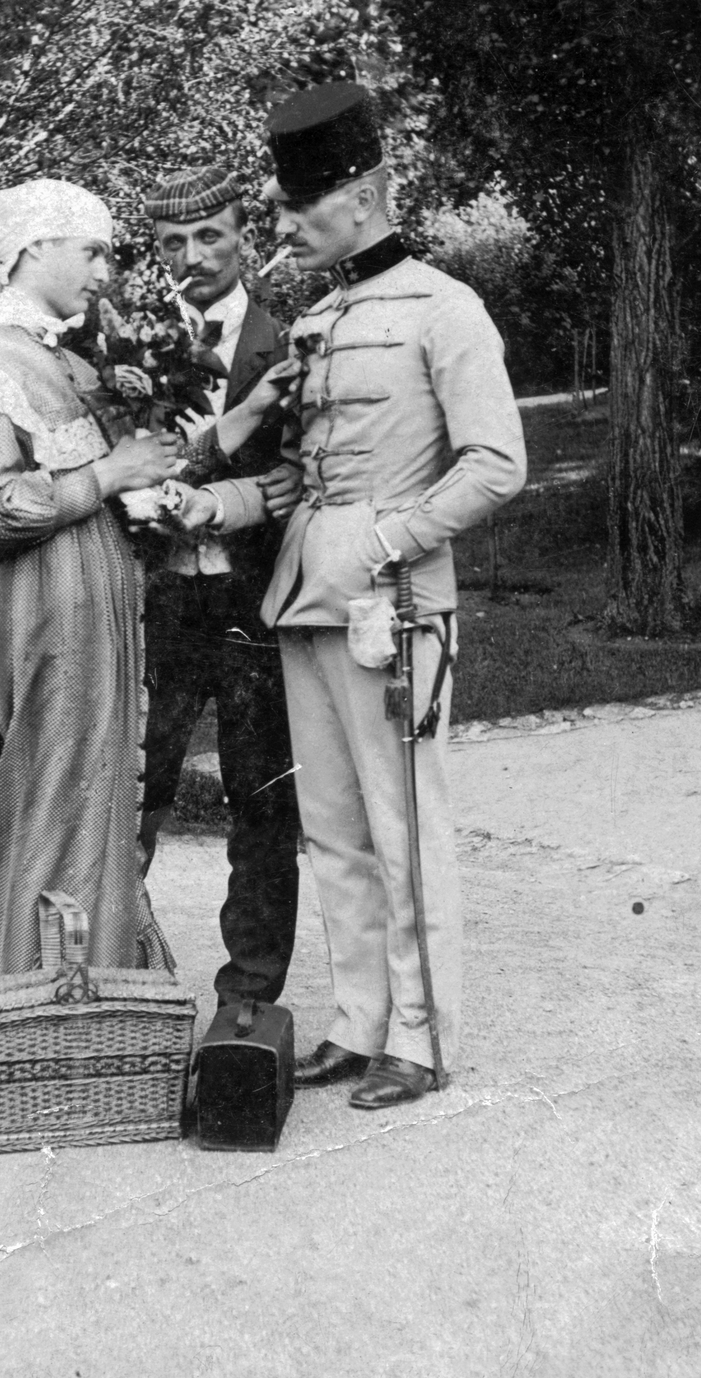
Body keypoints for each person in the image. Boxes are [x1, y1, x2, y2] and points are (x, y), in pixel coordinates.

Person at [200, 83, 527, 1106]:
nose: (286, 224)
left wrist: (391, 534)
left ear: (367, 193)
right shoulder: (321, 318)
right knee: (332, 827)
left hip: (394, 602)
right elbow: (303, 471)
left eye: (304, 204)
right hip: (306, 596)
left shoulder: (444, 308)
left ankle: (421, 1039)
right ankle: (354, 1021)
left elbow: (493, 464)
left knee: (403, 827)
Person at [0, 177, 181, 974]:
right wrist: (110, 476)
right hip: (45, 624)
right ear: (34, 246)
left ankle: (100, 1001)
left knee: (92, 798)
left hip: (84, 623)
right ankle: (45, 1005)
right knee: (56, 796)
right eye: (92, 250)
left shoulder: (51, 358)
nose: (105, 270)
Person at [136, 165, 305, 1010]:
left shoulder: (293, 341)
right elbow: (135, 482)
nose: (194, 255)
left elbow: (305, 475)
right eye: (174, 243)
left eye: (211, 236)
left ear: (245, 237)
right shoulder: (123, 348)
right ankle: (118, 986)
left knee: (263, 799)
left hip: (254, 603)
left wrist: (278, 493)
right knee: (135, 789)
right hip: (154, 603)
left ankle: (249, 1001)